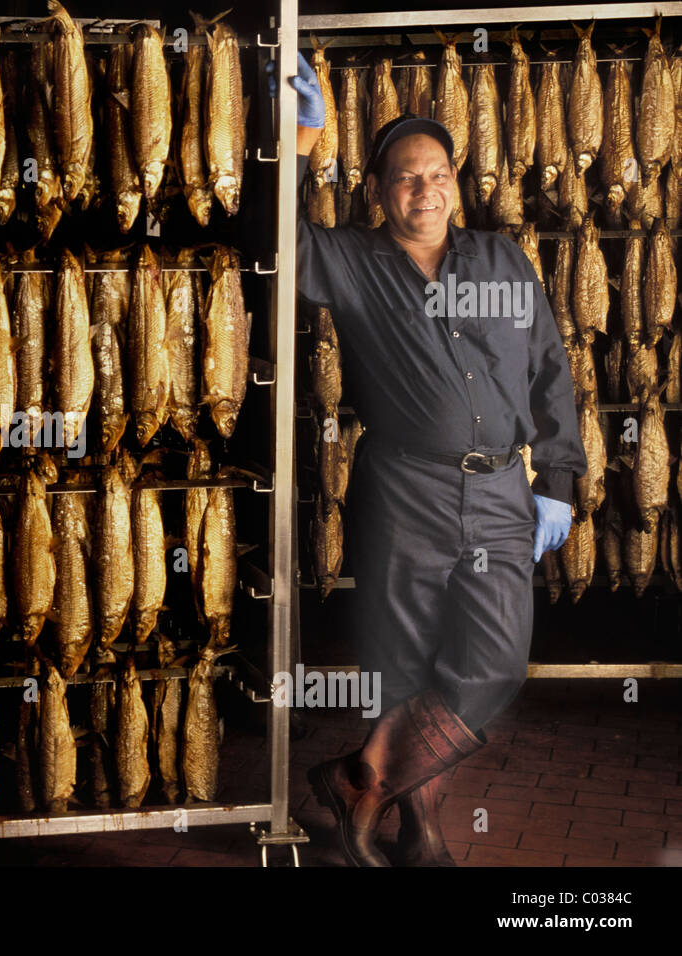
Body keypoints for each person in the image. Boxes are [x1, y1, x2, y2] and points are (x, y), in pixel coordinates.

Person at [273, 53, 587, 866]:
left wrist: (557, 479)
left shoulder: (503, 261)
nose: (427, 189)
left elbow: (552, 367)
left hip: (500, 493)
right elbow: (264, 235)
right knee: (404, 665)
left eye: (439, 173)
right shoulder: (348, 261)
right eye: (408, 178)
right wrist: (300, 136)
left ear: (456, 180)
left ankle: (355, 783)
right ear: (379, 190)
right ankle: (423, 832)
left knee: (492, 665)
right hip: (403, 486)